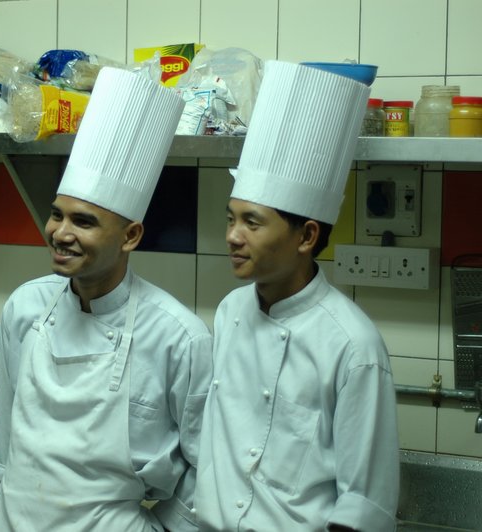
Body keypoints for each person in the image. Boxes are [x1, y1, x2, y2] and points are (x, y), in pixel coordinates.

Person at [0, 67, 213, 532]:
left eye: (83, 222)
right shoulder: (25, 307)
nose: (60, 233)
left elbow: (204, 468)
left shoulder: (178, 336)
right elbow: (7, 442)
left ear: (130, 236)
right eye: (57, 215)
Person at [195, 60, 400, 531]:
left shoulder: (353, 346)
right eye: (231, 218)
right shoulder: (230, 312)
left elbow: (364, 504)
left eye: (252, 222)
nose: (232, 236)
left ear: (306, 236)